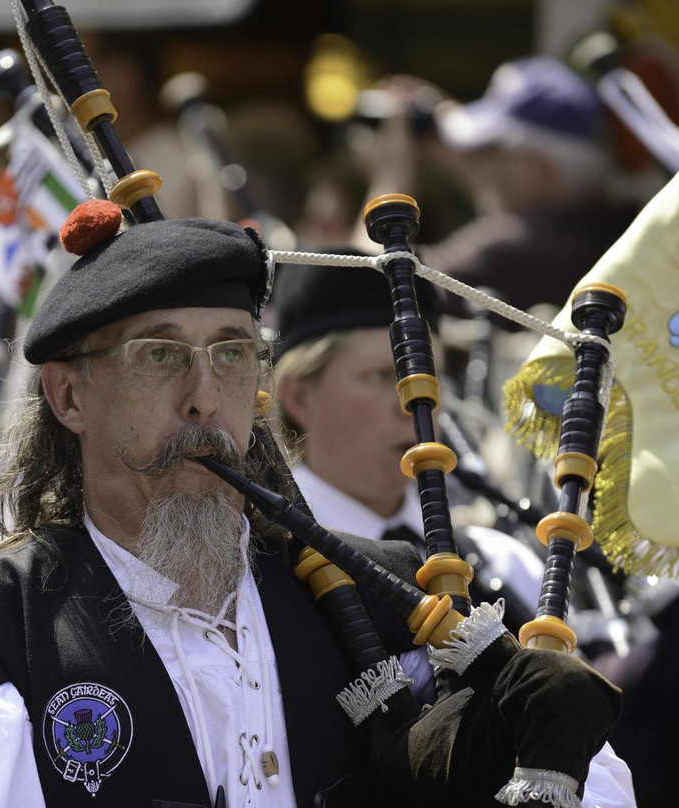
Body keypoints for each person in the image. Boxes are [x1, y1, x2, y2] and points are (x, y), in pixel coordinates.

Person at [0, 204, 623, 807]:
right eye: (160, 355)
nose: (203, 398)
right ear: (68, 396)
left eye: (231, 353)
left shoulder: (374, 600)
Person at [268, 255, 637, 805]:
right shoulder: (263, 572)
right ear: (299, 395)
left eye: (430, 377)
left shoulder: (497, 562)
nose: (414, 401)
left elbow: (597, 763)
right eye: (380, 376)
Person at [350, 55, 643, 321]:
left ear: (536, 170)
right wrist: (456, 144)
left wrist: (391, 175)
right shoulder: (623, 227)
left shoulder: (511, 245)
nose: (481, 166)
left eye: (489, 150)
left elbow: (356, 290)